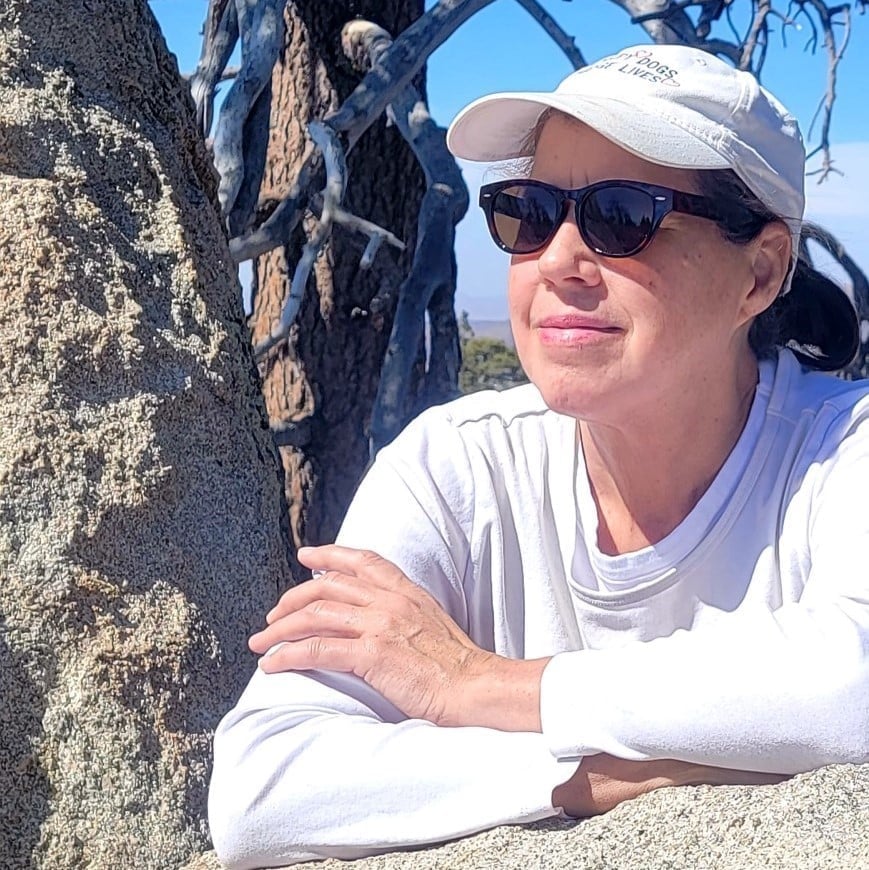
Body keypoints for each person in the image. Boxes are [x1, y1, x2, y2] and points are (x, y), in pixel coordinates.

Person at [208, 44, 869, 869]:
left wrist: (480, 686)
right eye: (528, 210)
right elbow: (262, 789)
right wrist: (590, 771)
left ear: (760, 272)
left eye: (622, 215)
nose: (556, 260)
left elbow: (852, 678)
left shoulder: (844, 450)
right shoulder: (456, 468)